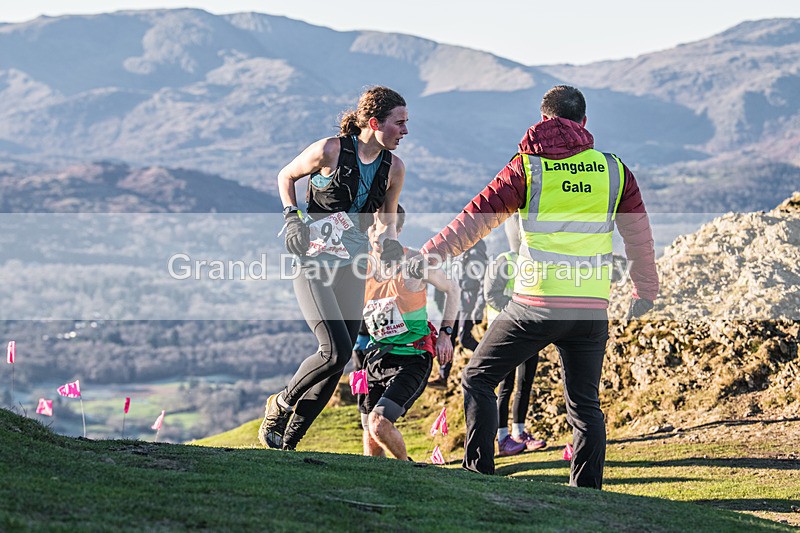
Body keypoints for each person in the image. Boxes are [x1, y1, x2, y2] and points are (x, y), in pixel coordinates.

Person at [409, 85, 658, 488]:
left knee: (478, 378)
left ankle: (478, 475)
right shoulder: (615, 170)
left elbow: (476, 219)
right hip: (591, 309)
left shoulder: (528, 168)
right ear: (585, 123)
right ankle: (588, 493)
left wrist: (427, 257)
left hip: (535, 305)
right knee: (584, 405)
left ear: (544, 120)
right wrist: (645, 291)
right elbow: (639, 238)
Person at [259, 86, 408, 450]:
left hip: (353, 265)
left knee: (339, 359)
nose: (405, 131)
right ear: (374, 122)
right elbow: (285, 176)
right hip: (313, 261)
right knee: (335, 350)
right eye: (399, 123)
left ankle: (288, 441)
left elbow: (387, 216)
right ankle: (280, 403)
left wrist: (388, 243)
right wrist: (292, 217)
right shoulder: (329, 150)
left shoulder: (394, 168)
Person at [358, 205, 458, 460]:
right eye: (372, 226)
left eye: (385, 226)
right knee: (370, 434)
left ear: (398, 230)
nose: (377, 233)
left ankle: (407, 468)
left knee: (379, 424)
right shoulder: (361, 268)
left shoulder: (414, 263)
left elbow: (452, 289)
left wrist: (446, 334)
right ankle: (383, 486)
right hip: (376, 359)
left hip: (411, 359)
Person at [485, 215, 546, 456]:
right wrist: (516, 311)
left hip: (531, 331)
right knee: (506, 385)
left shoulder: (537, 262)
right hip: (506, 331)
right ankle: (502, 437)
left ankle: (519, 432)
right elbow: (492, 295)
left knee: (525, 382)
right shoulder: (504, 261)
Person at [426, 238, 487, 390]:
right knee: (448, 338)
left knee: (465, 339)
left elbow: (483, 280)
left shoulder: (475, 251)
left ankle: (491, 361)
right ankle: (442, 376)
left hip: (468, 303)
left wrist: (478, 307)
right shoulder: (461, 250)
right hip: (458, 303)